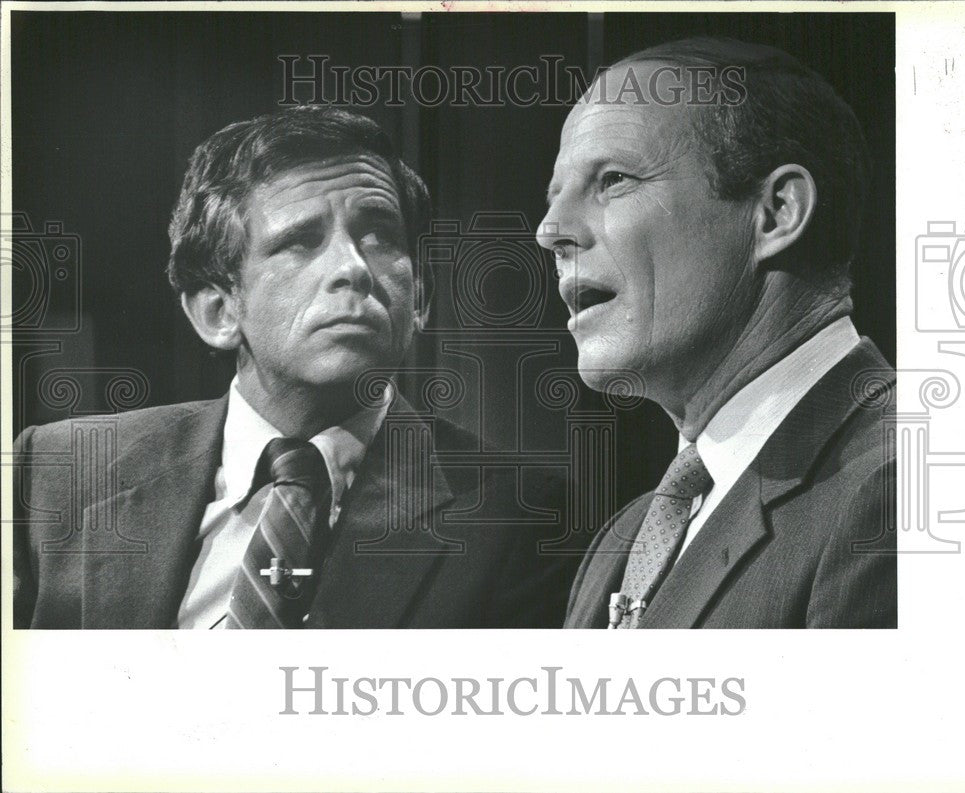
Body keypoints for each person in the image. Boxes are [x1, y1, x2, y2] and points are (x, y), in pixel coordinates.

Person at [14, 105, 572, 629]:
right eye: (301, 242)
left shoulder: (523, 516)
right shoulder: (55, 470)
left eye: (380, 235)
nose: (354, 269)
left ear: (420, 298)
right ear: (219, 311)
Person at [536, 37, 896, 629]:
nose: (551, 231)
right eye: (555, 197)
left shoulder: (902, 486)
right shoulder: (621, 541)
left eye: (614, 179)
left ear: (776, 213)